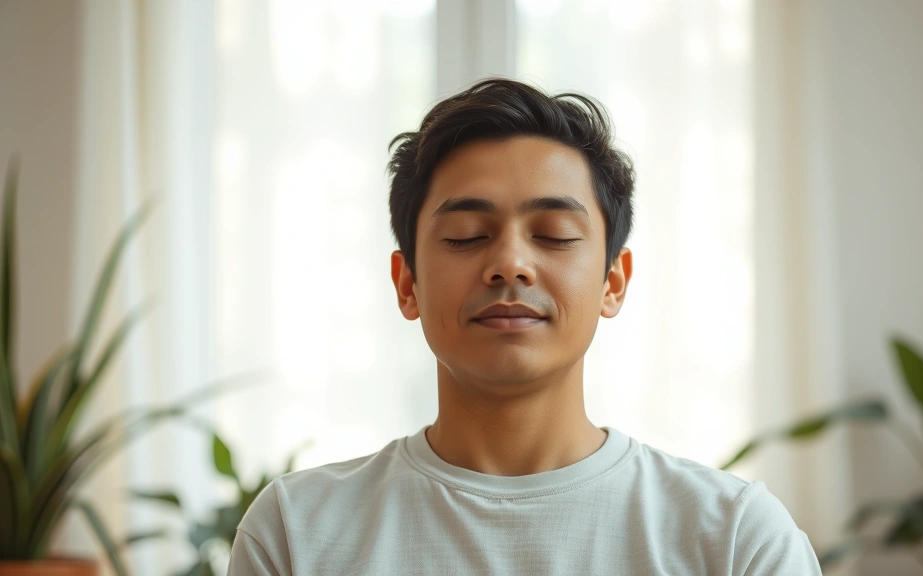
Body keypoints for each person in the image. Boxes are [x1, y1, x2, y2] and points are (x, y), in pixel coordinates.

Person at [227, 78, 822, 575]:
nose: (510, 263)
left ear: (613, 282)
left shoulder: (734, 538)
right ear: (407, 284)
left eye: (554, 235)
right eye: (467, 236)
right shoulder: (296, 532)